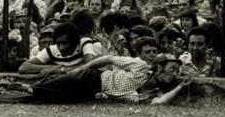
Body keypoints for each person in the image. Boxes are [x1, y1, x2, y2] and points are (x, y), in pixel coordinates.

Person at [23, 36, 160, 104]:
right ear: (139, 53)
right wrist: (83, 68)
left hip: (94, 90)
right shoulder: (138, 63)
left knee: (57, 98)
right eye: (148, 52)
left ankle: (17, 92)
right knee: (44, 89)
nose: (152, 55)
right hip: (92, 77)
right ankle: (27, 88)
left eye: (154, 51)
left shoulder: (149, 72)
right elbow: (108, 58)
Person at [16, 21, 98, 75]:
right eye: (58, 43)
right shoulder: (52, 50)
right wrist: (53, 68)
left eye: (65, 43)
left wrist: (62, 70)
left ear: (74, 41)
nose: (61, 47)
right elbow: (23, 67)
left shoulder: (84, 43)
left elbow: (90, 66)